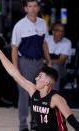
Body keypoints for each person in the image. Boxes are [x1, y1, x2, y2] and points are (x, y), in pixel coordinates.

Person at [0, 35, 79, 131]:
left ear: (47, 82)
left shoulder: (56, 99)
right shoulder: (33, 91)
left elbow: (73, 121)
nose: (36, 78)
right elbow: (15, 74)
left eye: (40, 77)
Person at [11, 0, 51, 130]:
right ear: (25, 9)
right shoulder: (20, 25)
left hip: (39, 62)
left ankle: (35, 123)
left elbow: (44, 43)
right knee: (24, 94)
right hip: (25, 62)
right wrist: (15, 69)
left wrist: (48, 60)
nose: (32, 9)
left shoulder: (43, 23)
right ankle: (23, 125)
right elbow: (14, 48)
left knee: (39, 94)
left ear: (38, 8)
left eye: (35, 6)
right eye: (30, 6)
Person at [45, 22, 72, 91]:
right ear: (53, 31)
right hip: (45, 65)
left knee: (55, 68)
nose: (61, 33)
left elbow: (61, 61)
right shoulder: (47, 40)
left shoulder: (67, 42)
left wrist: (49, 62)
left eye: (62, 31)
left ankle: (54, 93)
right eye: (58, 31)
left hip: (61, 69)